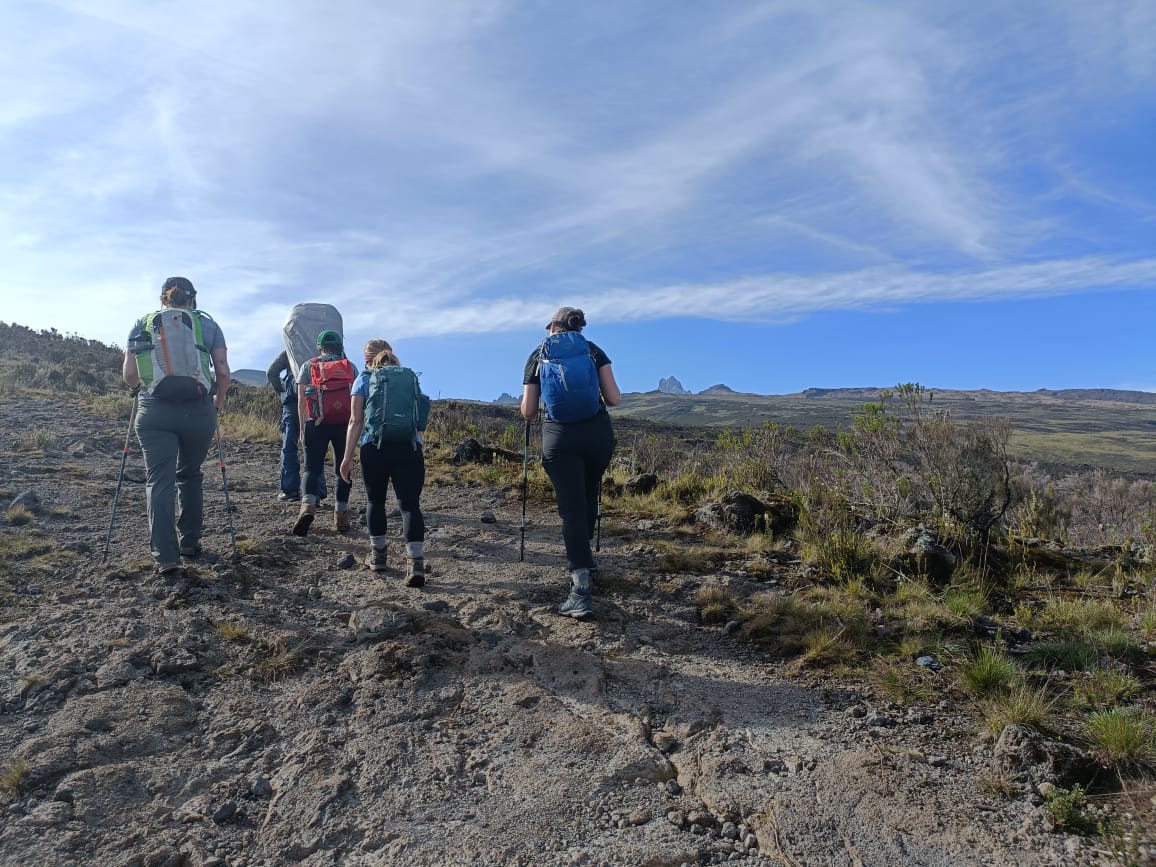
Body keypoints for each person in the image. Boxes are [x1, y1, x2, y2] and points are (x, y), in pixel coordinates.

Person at [121, 276, 230, 576]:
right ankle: (190, 543)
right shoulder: (208, 325)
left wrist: (140, 390)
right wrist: (216, 403)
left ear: (163, 299)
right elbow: (222, 371)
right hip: (198, 412)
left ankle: (166, 558)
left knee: (159, 480)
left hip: (155, 411)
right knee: (191, 474)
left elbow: (130, 374)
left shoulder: (143, 324)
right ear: (193, 299)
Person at [521, 306, 620, 617]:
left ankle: (580, 589)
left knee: (571, 509)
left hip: (559, 437)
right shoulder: (593, 351)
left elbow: (528, 410)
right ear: (580, 327)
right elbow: (614, 398)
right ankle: (586, 560)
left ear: (553, 326)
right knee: (589, 494)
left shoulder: (539, 354)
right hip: (597, 434)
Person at [339, 339, 427, 587]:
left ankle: (378, 556)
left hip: (373, 447)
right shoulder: (410, 379)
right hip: (408, 448)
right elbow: (419, 419)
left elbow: (355, 421)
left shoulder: (364, 380)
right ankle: (415, 563)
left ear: (369, 358)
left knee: (375, 501)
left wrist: (346, 458)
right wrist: (418, 447)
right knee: (410, 505)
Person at [293, 330, 356, 535]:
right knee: (342, 468)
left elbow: (302, 400)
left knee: (312, 468)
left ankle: (308, 506)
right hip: (344, 424)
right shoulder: (350, 367)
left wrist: (303, 427)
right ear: (340, 346)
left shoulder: (308, 366)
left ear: (320, 347)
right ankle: (341, 516)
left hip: (316, 422)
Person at [265, 349, 325, 503]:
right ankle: (316, 491)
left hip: (292, 401)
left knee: (289, 445)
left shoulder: (290, 349)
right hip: (317, 400)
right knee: (314, 445)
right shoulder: (322, 350)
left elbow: (272, 372)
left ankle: (290, 490)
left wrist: (282, 392)